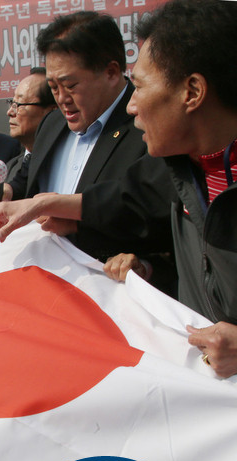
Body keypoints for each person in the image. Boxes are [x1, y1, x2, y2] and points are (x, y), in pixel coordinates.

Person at [100, 0, 237, 377]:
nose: (131, 107)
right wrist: (148, 271)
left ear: (192, 91)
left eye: (139, 87)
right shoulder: (182, 173)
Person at [0, 11, 175, 267]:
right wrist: (7, 192)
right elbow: (30, 175)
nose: (61, 98)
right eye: (53, 87)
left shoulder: (149, 127)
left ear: (111, 72)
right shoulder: (52, 123)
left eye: (70, 85)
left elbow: (149, 214)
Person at [5, 68, 57, 182]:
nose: (10, 112)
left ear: (53, 110)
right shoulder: (11, 168)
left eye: (20, 104)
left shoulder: (66, 163)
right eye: (12, 103)